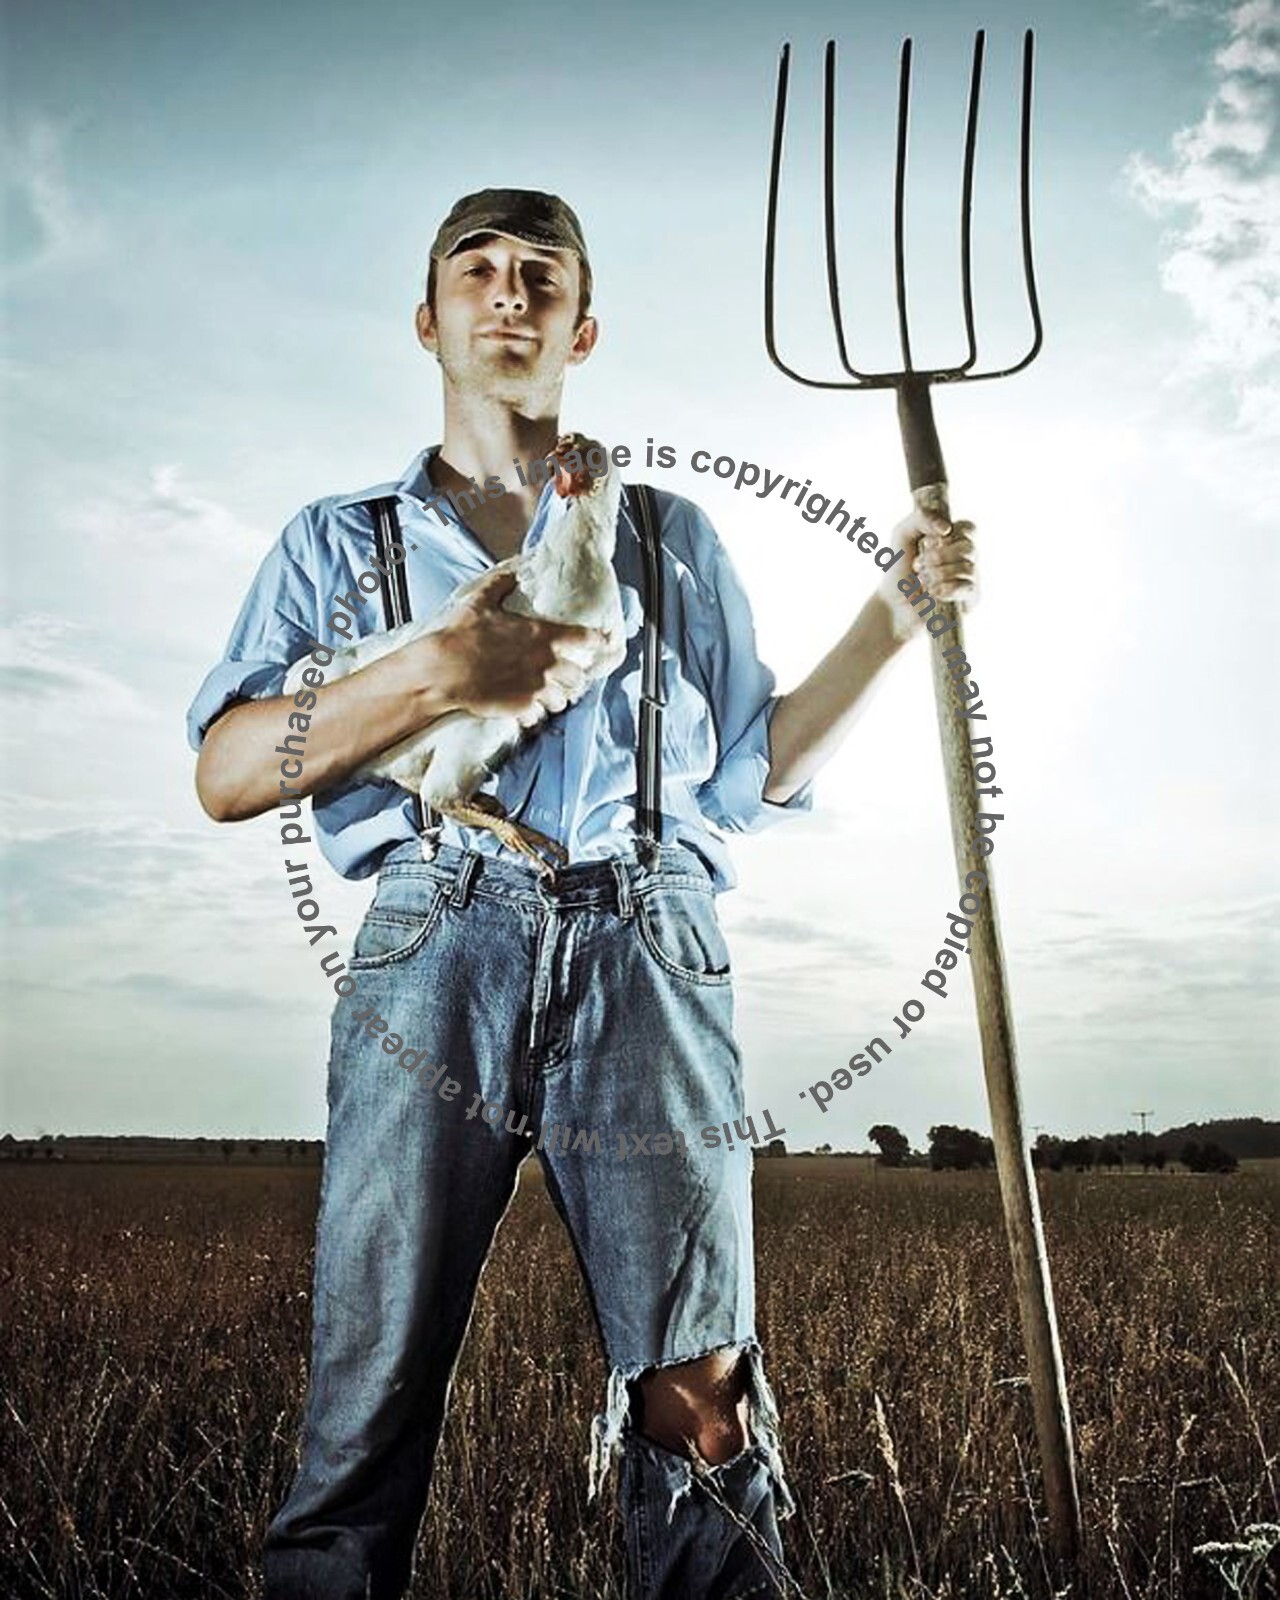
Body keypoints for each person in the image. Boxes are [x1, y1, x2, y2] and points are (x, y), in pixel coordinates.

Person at [186, 187, 977, 1600]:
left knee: (702, 1392)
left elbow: (758, 766)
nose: (509, 291)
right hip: (439, 932)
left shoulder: (670, 537)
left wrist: (898, 610)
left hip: (649, 940)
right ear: (429, 323)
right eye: (475, 271)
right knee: (366, 1392)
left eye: (539, 273)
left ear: (581, 324)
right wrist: (435, 674)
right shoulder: (337, 544)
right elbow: (234, 765)